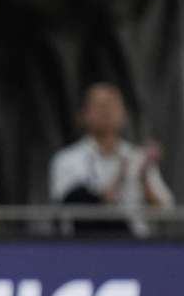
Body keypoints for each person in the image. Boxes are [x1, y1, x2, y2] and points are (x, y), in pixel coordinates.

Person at [50, 82, 175, 237]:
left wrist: (144, 177)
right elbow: (68, 207)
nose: (107, 111)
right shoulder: (66, 159)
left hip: (135, 245)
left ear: (124, 115)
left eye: (113, 105)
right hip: (85, 243)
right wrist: (119, 176)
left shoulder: (138, 157)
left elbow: (165, 210)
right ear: (83, 115)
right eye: (99, 105)